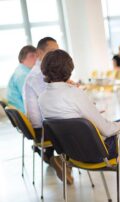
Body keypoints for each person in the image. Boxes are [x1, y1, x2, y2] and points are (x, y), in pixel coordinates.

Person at [38, 49, 120, 198]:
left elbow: (73, 116)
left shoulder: (42, 99)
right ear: (67, 70)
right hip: (100, 151)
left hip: (73, 153)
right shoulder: (74, 94)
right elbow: (107, 130)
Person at [23, 37, 72, 184]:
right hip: (43, 130)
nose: (56, 55)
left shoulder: (40, 72)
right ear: (39, 53)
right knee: (82, 125)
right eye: (52, 51)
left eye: (57, 51)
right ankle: (66, 161)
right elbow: (56, 102)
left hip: (42, 127)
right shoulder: (39, 74)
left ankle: (62, 160)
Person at [7, 45, 37, 113]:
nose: (35, 59)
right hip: (23, 111)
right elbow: (29, 99)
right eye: (32, 56)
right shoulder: (23, 75)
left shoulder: (21, 70)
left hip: (19, 110)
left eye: (36, 56)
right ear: (22, 59)